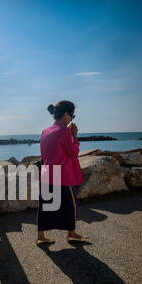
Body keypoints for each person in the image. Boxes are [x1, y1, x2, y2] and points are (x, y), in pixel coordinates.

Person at [36, 100, 88, 245]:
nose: (72, 118)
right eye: (72, 115)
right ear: (66, 115)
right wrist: (74, 136)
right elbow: (73, 152)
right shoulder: (65, 132)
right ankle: (71, 234)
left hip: (47, 172)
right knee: (71, 205)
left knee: (45, 206)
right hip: (61, 175)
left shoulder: (45, 131)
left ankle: (40, 236)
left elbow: (44, 153)